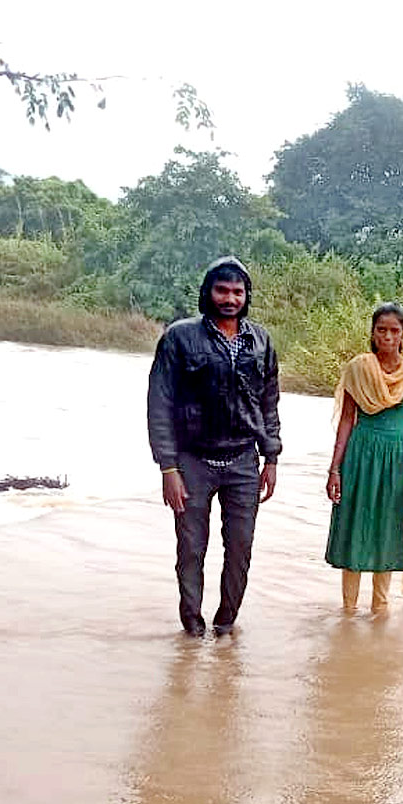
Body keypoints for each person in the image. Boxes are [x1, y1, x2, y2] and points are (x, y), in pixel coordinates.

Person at [147, 257, 282, 637]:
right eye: (222, 290)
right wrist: (168, 468)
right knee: (191, 550)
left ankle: (226, 625)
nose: (230, 298)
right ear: (207, 292)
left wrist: (271, 457)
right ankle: (191, 627)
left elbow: (268, 401)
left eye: (238, 292)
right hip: (192, 461)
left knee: (240, 549)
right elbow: (160, 404)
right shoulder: (179, 337)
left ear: (246, 296)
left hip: (243, 461)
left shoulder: (260, 341)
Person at [325, 303, 403, 614]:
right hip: (361, 456)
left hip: (398, 460)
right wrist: (334, 469)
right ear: (372, 332)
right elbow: (346, 420)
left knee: (388, 530)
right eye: (381, 329)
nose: (387, 336)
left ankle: (380, 610)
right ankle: (347, 611)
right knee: (356, 523)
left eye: (394, 330)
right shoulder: (359, 368)